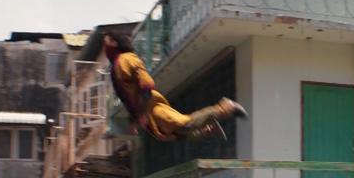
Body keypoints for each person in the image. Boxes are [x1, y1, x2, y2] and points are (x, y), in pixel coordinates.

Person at [103, 32, 247, 141]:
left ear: (115, 43)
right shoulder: (116, 67)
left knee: (183, 125)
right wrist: (134, 121)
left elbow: (146, 84)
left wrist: (140, 115)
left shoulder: (126, 59)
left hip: (152, 109)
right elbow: (128, 98)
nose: (104, 47)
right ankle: (206, 128)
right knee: (175, 134)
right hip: (148, 115)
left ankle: (226, 107)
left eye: (106, 42)